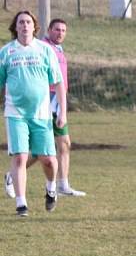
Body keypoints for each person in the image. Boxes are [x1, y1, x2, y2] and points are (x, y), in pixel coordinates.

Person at [4, 18, 85, 199]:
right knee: (47, 149)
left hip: (56, 100)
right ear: (48, 30)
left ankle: (62, 184)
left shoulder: (57, 49)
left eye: (63, 30)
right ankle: (14, 175)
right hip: (45, 102)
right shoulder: (42, 48)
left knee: (63, 144)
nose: (60, 33)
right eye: (57, 30)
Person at [0, 10, 66, 217]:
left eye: (28, 22)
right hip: (15, 112)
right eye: (21, 22)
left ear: (34, 26)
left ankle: (51, 188)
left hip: (42, 114)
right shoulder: (6, 52)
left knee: (47, 159)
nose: (25, 25)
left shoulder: (45, 51)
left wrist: (62, 111)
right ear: (16, 26)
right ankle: (21, 204)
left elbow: (58, 82)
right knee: (20, 157)